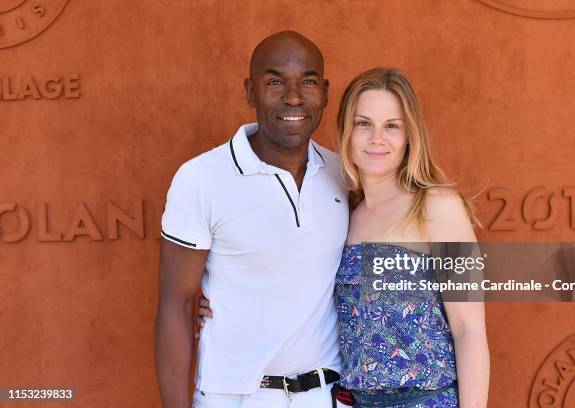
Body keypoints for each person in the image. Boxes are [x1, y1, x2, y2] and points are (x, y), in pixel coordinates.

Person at [199, 68, 490, 407]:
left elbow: (470, 331)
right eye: (363, 123)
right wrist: (221, 298)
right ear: (346, 131)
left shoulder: (438, 206)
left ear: (410, 134)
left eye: (392, 126)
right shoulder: (342, 210)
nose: (376, 138)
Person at [155, 30, 348, 408]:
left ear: (325, 92)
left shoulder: (345, 174)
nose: (293, 97)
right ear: (250, 92)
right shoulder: (201, 178)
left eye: (307, 82)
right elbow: (175, 306)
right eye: (275, 82)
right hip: (236, 397)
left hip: (327, 397)